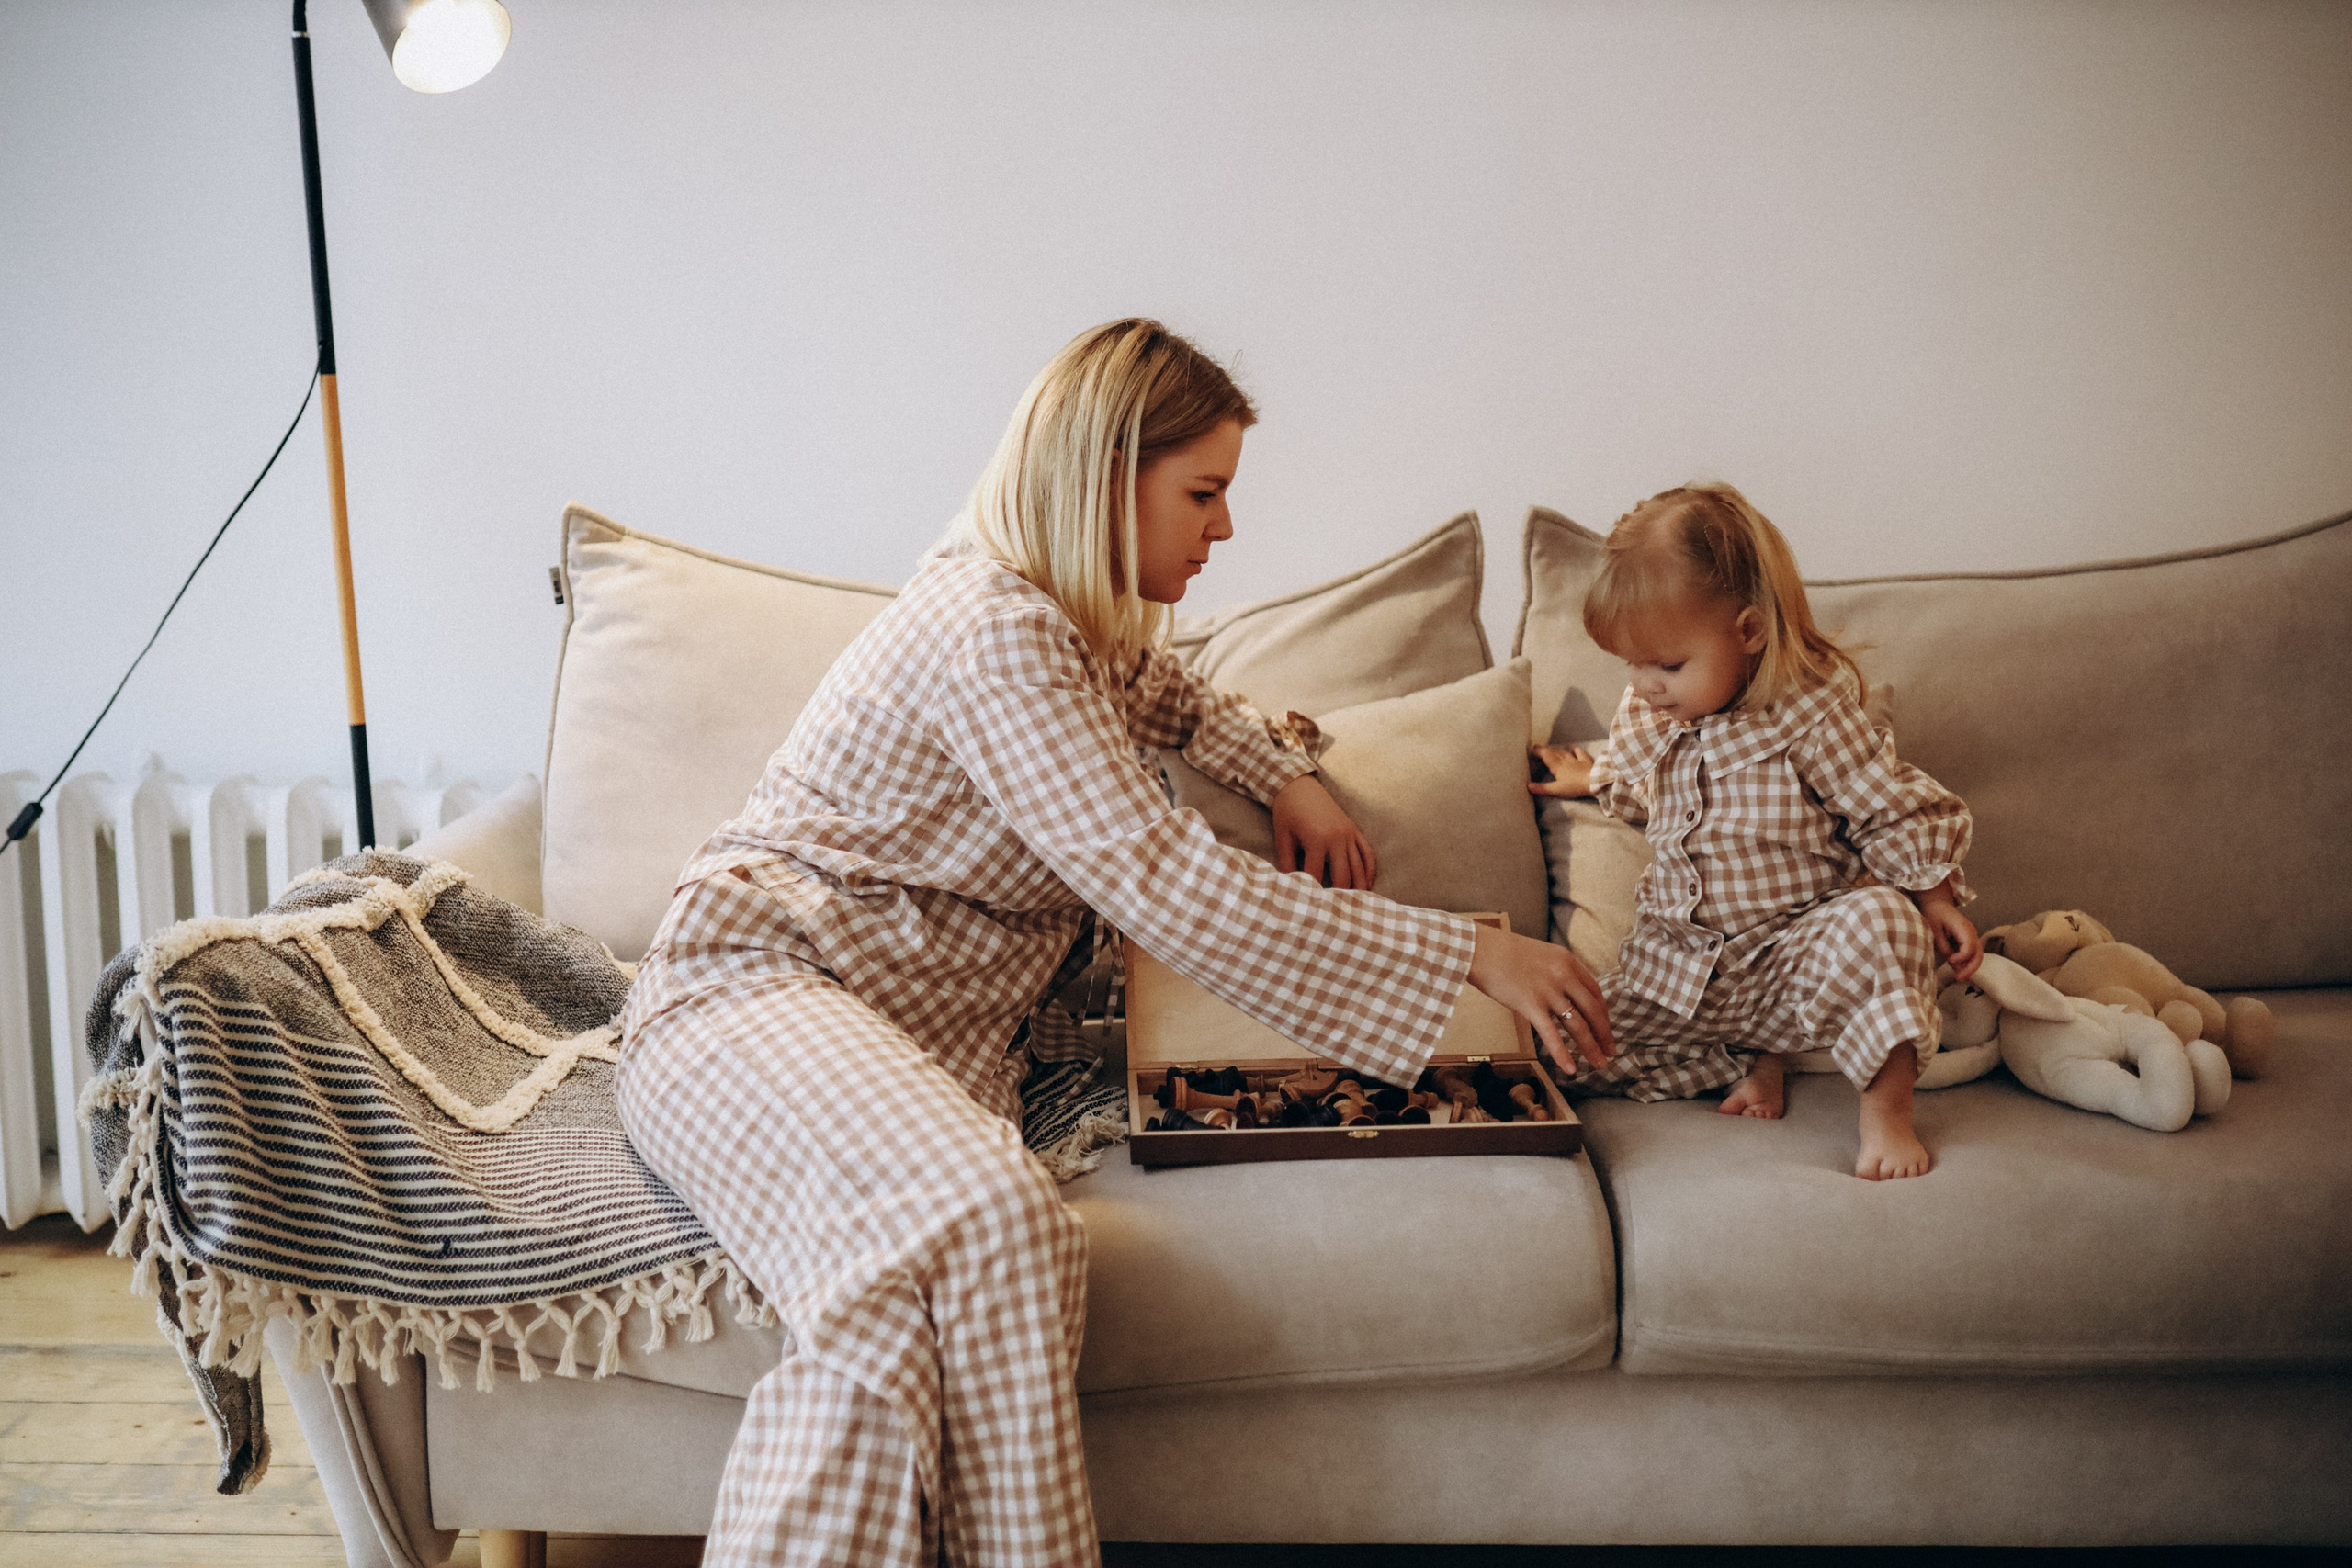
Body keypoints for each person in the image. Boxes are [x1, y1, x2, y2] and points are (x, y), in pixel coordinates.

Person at [615, 318, 1613, 1567]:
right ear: (1102, 476)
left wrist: (1289, 773)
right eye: (1203, 492)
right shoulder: (994, 628)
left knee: (937, 1286)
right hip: (755, 990)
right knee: (982, 1215)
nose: (1226, 528)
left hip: (905, 1045)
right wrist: (1469, 952)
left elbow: (1182, 699)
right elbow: (1164, 880)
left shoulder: (1076, 629)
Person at [1529, 482, 1982, 1181]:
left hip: (1788, 958)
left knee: (1884, 921)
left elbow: (1884, 804)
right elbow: (1636, 777)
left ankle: (1886, 1115)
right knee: (1557, 1044)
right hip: (1682, 973)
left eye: (1668, 665)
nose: (1645, 684)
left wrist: (1937, 896)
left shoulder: (1809, 711)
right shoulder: (1653, 712)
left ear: (1747, 631)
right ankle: (1752, 1058)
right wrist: (1590, 773)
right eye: (1633, 664)